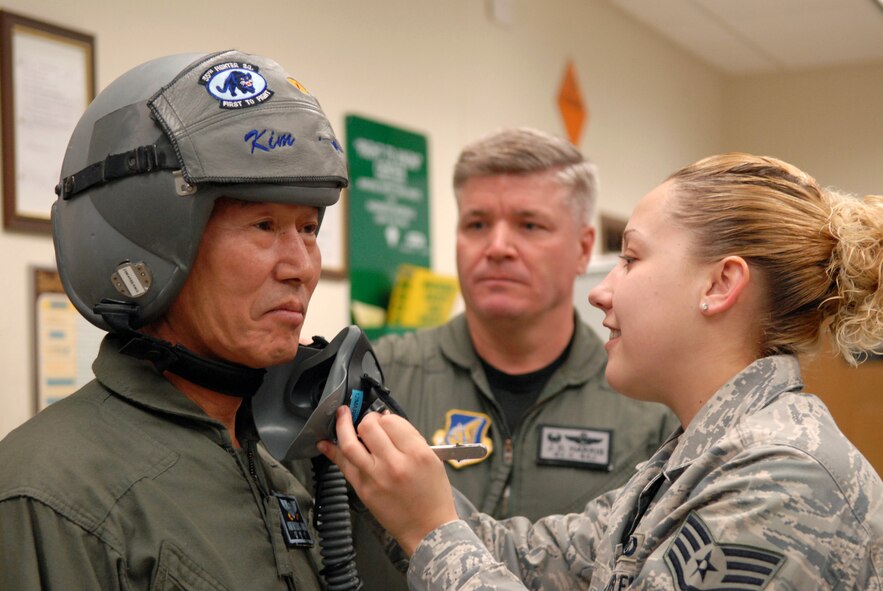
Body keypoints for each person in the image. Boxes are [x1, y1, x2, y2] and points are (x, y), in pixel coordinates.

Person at [322, 152, 883, 590]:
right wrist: (401, 484)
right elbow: (535, 561)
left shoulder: (779, 484)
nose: (603, 292)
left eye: (632, 259)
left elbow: (447, 536)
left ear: (719, 285)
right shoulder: (697, 462)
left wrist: (430, 531)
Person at [0, 50, 348, 590]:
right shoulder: (50, 497)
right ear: (149, 240)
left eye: (308, 229)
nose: (301, 267)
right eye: (263, 225)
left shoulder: (279, 470)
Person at [371, 128, 677, 520]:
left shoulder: (648, 404)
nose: (497, 247)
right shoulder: (381, 380)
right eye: (477, 225)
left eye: (529, 225)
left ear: (583, 249)